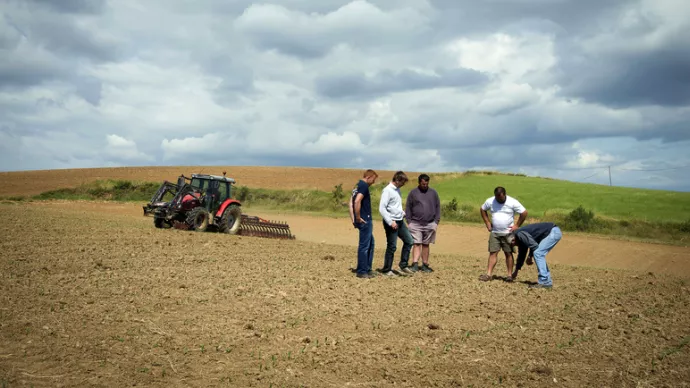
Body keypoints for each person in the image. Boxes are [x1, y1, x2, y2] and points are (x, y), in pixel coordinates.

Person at [479, 186, 528, 282]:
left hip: (508, 233)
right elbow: (482, 209)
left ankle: (509, 276)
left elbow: (524, 212)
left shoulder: (512, 202)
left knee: (508, 253)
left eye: (500, 197)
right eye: (497, 197)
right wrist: (487, 223)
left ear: (504, 194)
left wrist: (517, 225)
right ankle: (488, 274)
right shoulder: (490, 201)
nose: (498, 199)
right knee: (493, 253)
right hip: (495, 232)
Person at [378, 171, 413, 276]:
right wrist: (390, 221)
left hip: (400, 220)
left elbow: (395, 206)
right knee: (392, 246)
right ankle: (387, 269)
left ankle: (403, 265)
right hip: (391, 222)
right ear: (397, 180)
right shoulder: (387, 191)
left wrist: (402, 213)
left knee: (409, 241)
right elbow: (382, 208)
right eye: (402, 182)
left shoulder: (397, 190)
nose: (403, 185)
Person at [405, 174, 441, 273]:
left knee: (426, 244)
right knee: (416, 243)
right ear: (419, 182)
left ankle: (425, 264)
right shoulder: (413, 193)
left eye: (426, 183)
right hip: (415, 223)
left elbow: (438, 206)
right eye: (423, 184)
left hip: (430, 223)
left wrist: (436, 221)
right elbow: (408, 207)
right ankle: (415, 264)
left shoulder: (433, 193)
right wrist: (409, 221)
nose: (425, 185)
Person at [511, 222, 562, 289]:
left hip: (553, 232)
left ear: (513, 240)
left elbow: (534, 246)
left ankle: (544, 281)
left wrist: (530, 256)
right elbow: (522, 254)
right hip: (554, 231)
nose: (516, 246)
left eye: (514, 245)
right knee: (539, 253)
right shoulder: (520, 239)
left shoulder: (520, 234)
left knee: (538, 253)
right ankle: (547, 281)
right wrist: (516, 270)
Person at [349, 169, 379, 279]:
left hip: (361, 219)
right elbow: (357, 201)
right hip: (365, 219)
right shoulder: (364, 186)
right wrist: (357, 217)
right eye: (374, 179)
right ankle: (362, 271)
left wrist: (353, 219)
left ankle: (367, 268)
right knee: (364, 245)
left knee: (371, 243)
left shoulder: (357, 186)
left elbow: (350, 203)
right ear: (369, 177)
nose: (374, 182)